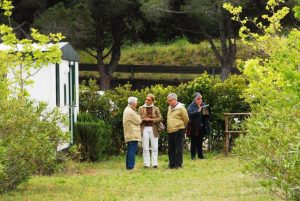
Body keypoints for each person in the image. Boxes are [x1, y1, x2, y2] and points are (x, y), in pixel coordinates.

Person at [138, 94, 163, 168]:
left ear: (152, 100)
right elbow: (138, 118)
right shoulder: (141, 108)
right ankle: (146, 164)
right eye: (146, 99)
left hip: (154, 128)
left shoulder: (156, 108)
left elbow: (161, 118)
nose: (146, 100)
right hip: (144, 128)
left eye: (148, 99)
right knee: (145, 147)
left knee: (154, 147)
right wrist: (144, 119)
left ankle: (155, 164)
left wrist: (152, 120)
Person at [166, 93, 189, 169]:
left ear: (175, 100)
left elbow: (186, 119)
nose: (168, 102)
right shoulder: (169, 107)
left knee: (178, 148)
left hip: (179, 130)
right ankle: (171, 164)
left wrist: (181, 127)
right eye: (168, 100)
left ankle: (178, 164)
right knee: (171, 148)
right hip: (170, 130)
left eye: (169, 100)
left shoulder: (181, 108)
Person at [187, 92, 208, 160]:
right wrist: (197, 111)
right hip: (194, 126)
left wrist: (208, 112)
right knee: (194, 141)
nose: (200, 100)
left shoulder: (203, 104)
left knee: (200, 141)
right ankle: (193, 156)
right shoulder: (191, 106)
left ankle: (200, 155)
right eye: (198, 99)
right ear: (195, 99)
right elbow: (189, 114)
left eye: (201, 98)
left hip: (202, 125)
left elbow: (206, 114)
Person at [123, 96, 142, 170]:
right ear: (133, 103)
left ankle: (129, 167)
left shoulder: (128, 109)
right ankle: (131, 167)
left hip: (130, 133)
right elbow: (139, 120)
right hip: (132, 134)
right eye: (136, 103)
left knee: (130, 150)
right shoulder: (130, 111)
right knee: (132, 151)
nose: (136, 105)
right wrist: (139, 116)